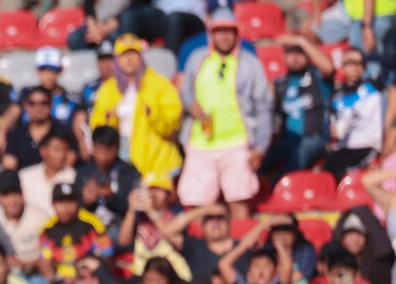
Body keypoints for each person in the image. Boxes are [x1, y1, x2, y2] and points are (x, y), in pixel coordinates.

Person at [178, 9, 272, 219]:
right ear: (211, 34)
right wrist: (191, 105)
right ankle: (200, 241)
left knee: (239, 199)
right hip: (201, 142)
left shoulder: (249, 63)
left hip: (237, 142)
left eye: (229, 31)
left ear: (237, 34)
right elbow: (186, 92)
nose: (224, 36)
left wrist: (261, 146)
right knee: (199, 204)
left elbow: (264, 106)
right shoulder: (197, 58)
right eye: (219, 31)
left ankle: (241, 238)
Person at [90, 34, 183, 177]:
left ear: (141, 57)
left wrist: (153, 115)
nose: (129, 59)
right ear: (117, 59)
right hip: (120, 154)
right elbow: (97, 126)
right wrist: (109, 120)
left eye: (133, 53)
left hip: (156, 159)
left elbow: (172, 125)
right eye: (124, 55)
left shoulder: (161, 85)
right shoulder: (107, 89)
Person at [263, 35, 333, 176]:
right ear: (284, 57)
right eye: (291, 53)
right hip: (286, 140)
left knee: (292, 166)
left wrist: (302, 41)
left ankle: (280, 186)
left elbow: (329, 68)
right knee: (258, 163)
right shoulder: (280, 83)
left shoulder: (317, 77)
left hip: (314, 139)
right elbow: (271, 112)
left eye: (300, 53)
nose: (295, 58)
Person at [38, 183, 115, 284]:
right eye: (60, 202)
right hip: (60, 280)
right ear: (53, 204)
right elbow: (45, 262)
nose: (65, 208)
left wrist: (78, 279)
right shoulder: (47, 230)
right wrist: (52, 280)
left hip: (88, 280)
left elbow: (107, 260)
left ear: (78, 202)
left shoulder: (93, 224)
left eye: (70, 202)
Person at [325, 47, 383, 180]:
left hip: (368, 145)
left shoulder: (374, 86)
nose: (354, 67)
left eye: (359, 63)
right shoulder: (336, 96)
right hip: (343, 147)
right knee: (325, 177)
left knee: (344, 175)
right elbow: (332, 121)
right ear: (342, 67)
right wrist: (332, 131)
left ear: (364, 66)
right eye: (350, 63)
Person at [74, 126, 140, 237]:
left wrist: (110, 196)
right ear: (92, 147)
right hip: (88, 231)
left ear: (118, 147)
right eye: (99, 151)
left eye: (108, 151)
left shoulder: (128, 172)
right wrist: (85, 201)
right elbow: (73, 205)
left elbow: (131, 207)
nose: (103, 157)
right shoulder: (83, 171)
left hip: (119, 230)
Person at [0, 170, 48, 273]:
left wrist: (26, 264)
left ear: (22, 194)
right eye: (6, 195)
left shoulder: (41, 218)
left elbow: (50, 255)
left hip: (34, 274)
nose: (11, 201)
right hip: (3, 276)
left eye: (15, 194)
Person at [27, 47, 88, 155]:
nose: (48, 75)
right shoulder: (26, 96)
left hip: (62, 154)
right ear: (36, 70)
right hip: (29, 150)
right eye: (43, 70)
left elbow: (78, 130)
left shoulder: (72, 101)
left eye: (52, 70)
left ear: (61, 70)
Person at [2, 87, 74, 172]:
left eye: (44, 103)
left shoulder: (64, 132)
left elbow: (70, 160)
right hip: (22, 178)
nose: (38, 108)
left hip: (57, 177)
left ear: (51, 105)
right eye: (32, 103)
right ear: (25, 106)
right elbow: (9, 163)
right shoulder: (16, 134)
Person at [18, 129, 76, 218]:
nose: (61, 155)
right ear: (43, 151)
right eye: (56, 149)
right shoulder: (25, 176)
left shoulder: (73, 176)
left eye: (64, 150)